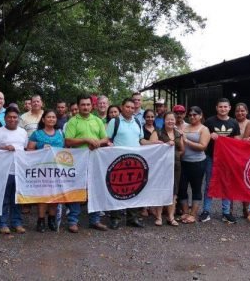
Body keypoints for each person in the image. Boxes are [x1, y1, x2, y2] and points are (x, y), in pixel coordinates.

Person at [64, 95, 111, 232]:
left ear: (92, 106)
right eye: (82, 105)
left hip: (96, 161)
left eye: (88, 104)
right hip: (78, 162)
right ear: (78, 106)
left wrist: (97, 142)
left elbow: (105, 138)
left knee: (95, 190)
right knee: (77, 190)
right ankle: (73, 221)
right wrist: (86, 140)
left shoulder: (97, 120)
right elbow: (68, 141)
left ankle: (95, 220)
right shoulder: (73, 121)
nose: (85, 107)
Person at [106, 98, 146, 229]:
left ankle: (132, 218)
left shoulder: (137, 122)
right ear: (122, 107)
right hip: (118, 162)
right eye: (127, 107)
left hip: (135, 162)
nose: (130, 109)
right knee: (117, 189)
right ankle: (115, 218)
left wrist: (157, 144)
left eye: (132, 107)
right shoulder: (114, 121)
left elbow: (142, 141)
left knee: (134, 188)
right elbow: (107, 139)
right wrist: (108, 144)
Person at [200, 98, 241, 224]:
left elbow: (237, 141)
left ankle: (226, 212)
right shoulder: (209, 122)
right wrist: (210, 136)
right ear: (216, 108)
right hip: (211, 157)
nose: (223, 109)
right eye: (220, 107)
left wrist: (226, 140)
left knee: (226, 185)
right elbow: (203, 139)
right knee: (209, 184)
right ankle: (206, 211)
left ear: (229, 108)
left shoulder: (234, 123)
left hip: (227, 160)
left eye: (225, 107)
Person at [0, 107, 28, 234]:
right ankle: (2, 224)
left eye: (15, 117)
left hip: (19, 172)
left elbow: (26, 149)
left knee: (17, 200)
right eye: (9, 117)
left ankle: (17, 223)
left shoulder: (23, 132)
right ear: (5, 118)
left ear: (18, 119)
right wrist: (4, 148)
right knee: (4, 199)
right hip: (4, 171)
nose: (12, 119)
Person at [27, 109, 64, 233]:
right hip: (42, 169)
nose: (51, 119)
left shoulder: (60, 133)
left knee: (55, 195)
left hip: (57, 169)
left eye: (53, 117)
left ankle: (52, 219)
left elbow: (65, 150)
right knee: (43, 196)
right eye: (48, 117)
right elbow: (29, 150)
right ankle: (41, 220)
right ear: (43, 119)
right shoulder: (37, 134)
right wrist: (41, 148)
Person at [149, 112, 184, 226]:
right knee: (161, 190)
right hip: (161, 167)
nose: (170, 121)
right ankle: (158, 217)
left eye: (172, 119)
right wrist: (161, 145)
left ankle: (171, 216)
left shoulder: (178, 134)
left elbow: (182, 149)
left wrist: (175, 156)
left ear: (175, 121)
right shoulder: (157, 132)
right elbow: (150, 147)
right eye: (168, 119)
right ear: (164, 120)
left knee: (174, 192)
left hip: (175, 166)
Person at [178, 106, 211, 224]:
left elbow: (203, 146)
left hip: (198, 163)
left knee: (196, 188)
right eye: (190, 115)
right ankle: (185, 212)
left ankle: (193, 214)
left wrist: (187, 141)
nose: (192, 117)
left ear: (200, 116)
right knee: (182, 188)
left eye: (195, 115)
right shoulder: (184, 127)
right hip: (183, 162)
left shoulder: (204, 129)